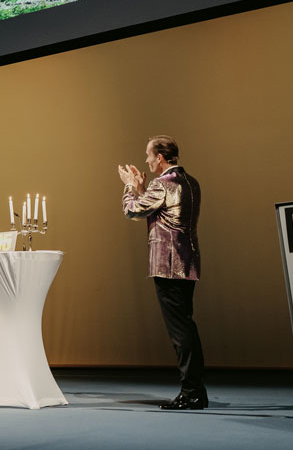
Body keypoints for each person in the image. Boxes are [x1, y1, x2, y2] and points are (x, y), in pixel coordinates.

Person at [117, 136, 206, 410]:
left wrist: (130, 188)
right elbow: (161, 209)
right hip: (188, 262)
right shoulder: (190, 182)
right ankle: (195, 390)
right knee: (186, 327)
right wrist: (143, 187)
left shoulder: (163, 184)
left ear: (160, 158)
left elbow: (133, 211)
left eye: (148, 155)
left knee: (181, 332)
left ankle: (191, 392)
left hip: (168, 266)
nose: (146, 160)